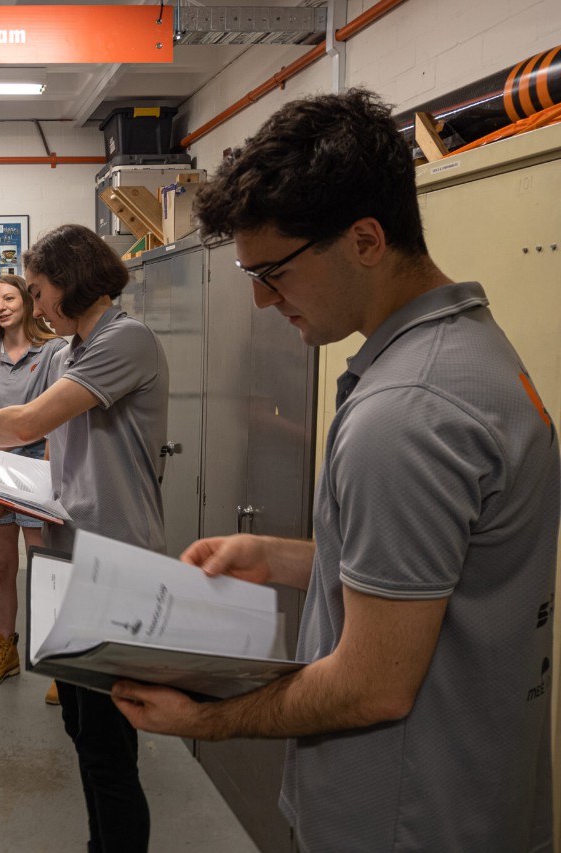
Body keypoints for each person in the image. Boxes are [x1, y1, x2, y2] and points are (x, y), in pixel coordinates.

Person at [111, 89, 558, 852]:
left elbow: (371, 684)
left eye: (274, 272)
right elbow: (435, 574)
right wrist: (279, 558)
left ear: (365, 240)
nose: (260, 300)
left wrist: (208, 717)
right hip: (479, 796)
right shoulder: (472, 354)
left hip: (400, 819)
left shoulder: (405, 414)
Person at [0, 223, 169, 853]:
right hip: (67, 552)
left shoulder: (127, 341)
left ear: (71, 282)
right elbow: (49, 457)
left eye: (38, 292)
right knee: (82, 731)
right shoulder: (69, 353)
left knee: (111, 748)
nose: (34, 308)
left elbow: (30, 422)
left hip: (113, 561)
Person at [0, 274, 67, 694]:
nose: (1, 307)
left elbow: (57, 421)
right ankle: (5, 651)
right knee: (1, 566)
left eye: (9, 298)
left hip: (37, 472)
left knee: (44, 568)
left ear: (26, 301)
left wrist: (45, 477)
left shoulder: (54, 351)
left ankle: (58, 663)